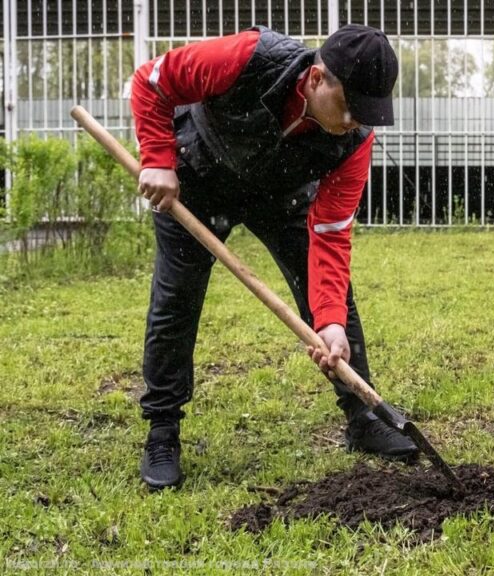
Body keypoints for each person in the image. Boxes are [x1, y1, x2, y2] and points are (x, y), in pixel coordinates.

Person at [131, 24, 418, 490]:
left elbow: (329, 234)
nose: (353, 121)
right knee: (175, 303)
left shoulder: (354, 139)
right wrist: (158, 159)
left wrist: (329, 322)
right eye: (348, 106)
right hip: (196, 178)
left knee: (336, 306)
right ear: (316, 78)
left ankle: (363, 418)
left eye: (366, 113)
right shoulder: (246, 56)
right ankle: (162, 432)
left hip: (279, 195)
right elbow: (153, 80)